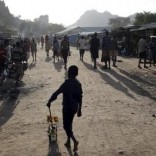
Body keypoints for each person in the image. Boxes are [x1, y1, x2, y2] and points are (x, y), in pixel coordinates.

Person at [47, 65, 83, 152]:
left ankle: (75, 141)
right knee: (69, 124)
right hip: (75, 107)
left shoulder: (66, 84)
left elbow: (57, 93)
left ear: (69, 74)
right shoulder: (78, 84)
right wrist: (79, 110)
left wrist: (49, 101)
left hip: (67, 107)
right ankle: (68, 141)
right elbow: (80, 97)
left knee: (65, 126)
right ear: (76, 74)